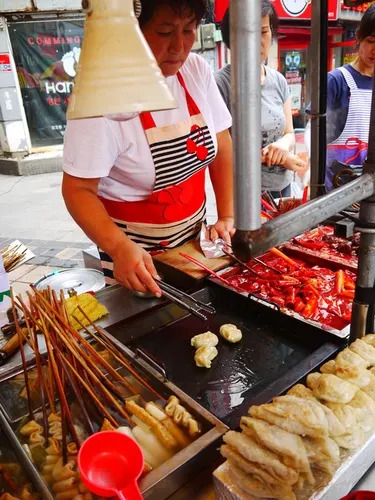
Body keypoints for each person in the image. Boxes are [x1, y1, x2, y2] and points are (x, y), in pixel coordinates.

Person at [62, 0, 234, 297]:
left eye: (189, 30)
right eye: (165, 31)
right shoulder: (103, 92)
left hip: (193, 243)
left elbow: (223, 146)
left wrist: (227, 216)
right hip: (133, 255)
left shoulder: (196, 71)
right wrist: (118, 247)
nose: (180, 46)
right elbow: (77, 190)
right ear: (132, 31)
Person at [214, 1, 306, 197]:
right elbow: (223, 152)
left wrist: (282, 146)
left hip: (284, 188)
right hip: (245, 194)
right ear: (232, 36)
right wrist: (281, 159)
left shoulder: (279, 81)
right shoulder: (221, 83)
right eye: (248, 32)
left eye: (263, 31)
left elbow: (289, 132)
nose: (256, 41)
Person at [324, 3, 375, 191]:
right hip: (335, 195)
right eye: (371, 40)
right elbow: (312, 134)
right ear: (359, 36)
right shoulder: (337, 81)